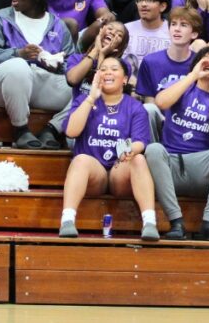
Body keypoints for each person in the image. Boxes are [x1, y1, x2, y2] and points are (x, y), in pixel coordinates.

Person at [144, 47, 209, 241]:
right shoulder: (180, 85)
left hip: (202, 170)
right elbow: (161, 103)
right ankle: (176, 222)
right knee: (154, 149)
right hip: (170, 163)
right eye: (205, 58)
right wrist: (192, 76)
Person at [59, 57, 158, 240]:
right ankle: (67, 220)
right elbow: (71, 132)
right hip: (93, 172)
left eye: (114, 69)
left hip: (119, 170)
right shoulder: (84, 100)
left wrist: (128, 150)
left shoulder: (135, 107)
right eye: (103, 69)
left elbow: (140, 142)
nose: (108, 72)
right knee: (80, 160)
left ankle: (150, 222)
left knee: (138, 159)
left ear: (125, 79)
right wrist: (91, 98)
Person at [0, 0, 76, 148]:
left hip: (40, 83)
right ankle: (21, 129)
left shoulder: (58, 25)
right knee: (18, 67)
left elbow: (72, 65)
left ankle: (51, 130)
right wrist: (18, 54)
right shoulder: (2, 18)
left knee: (89, 87)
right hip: (1, 86)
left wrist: (57, 66)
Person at [136, 8, 201, 117]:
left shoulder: (200, 64)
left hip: (190, 121)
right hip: (160, 121)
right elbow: (150, 103)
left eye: (183, 25)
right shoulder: (150, 61)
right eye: (174, 24)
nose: (177, 29)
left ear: (194, 34)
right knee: (148, 108)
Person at [121, 0, 171, 76]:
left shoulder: (172, 31)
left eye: (149, 0)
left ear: (162, 6)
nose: (143, 4)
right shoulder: (126, 29)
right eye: (139, 0)